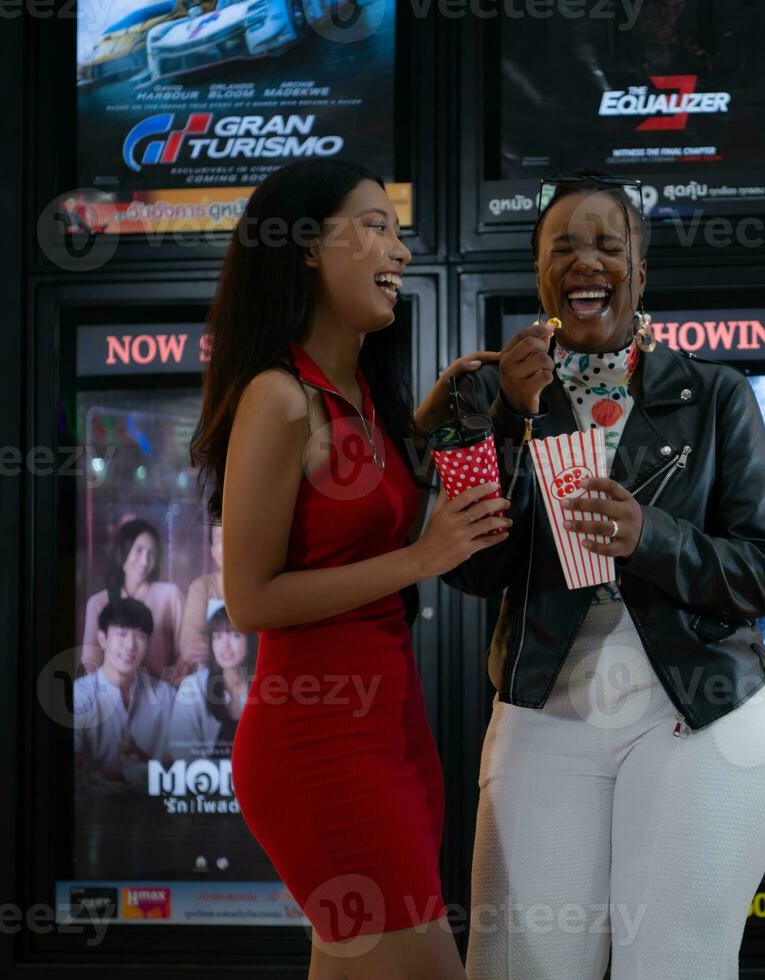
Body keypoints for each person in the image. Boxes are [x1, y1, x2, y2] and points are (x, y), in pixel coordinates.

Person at [442, 169, 765, 978]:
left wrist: (651, 538)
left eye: (608, 245)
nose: (585, 261)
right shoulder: (486, 398)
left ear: (639, 274)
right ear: (539, 273)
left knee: (672, 965)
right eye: (563, 246)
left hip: (700, 712)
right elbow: (470, 568)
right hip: (544, 715)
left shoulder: (715, 394)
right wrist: (503, 421)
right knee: (514, 966)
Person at [192, 159, 511, 978]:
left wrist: (440, 412)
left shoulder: (364, 393)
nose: (399, 251)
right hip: (319, 746)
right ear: (304, 247)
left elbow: (368, 509)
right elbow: (250, 598)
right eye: (375, 226)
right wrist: (421, 558)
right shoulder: (278, 397)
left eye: (398, 232)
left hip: (393, 731)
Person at [74, 598, 174, 788]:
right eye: (122, 634)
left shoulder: (166, 695)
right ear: (102, 639)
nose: (130, 645)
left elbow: (178, 762)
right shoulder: (79, 694)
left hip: (154, 808)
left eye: (140, 636)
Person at [80, 517, 185, 680]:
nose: (144, 561)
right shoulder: (98, 603)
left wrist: (169, 688)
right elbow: (90, 664)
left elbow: (185, 654)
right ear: (121, 551)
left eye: (152, 553)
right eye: (138, 550)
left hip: (162, 695)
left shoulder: (170, 596)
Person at [168, 601, 256, 761]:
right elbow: (181, 751)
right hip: (204, 782)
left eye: (235, 635)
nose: (225, 645)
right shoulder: (193, 686)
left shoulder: (266, 685)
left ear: (249, 640)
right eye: (217, 636)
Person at [175, 523, 226, 683]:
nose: (229, 545)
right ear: (212, 551)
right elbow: (191, 648)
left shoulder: (262, 587)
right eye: (220, 539)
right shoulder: (201, 587)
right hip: (209, 679)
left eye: (235, 537)